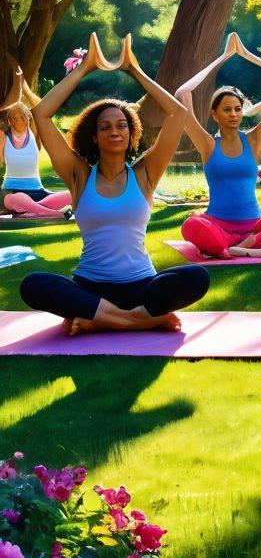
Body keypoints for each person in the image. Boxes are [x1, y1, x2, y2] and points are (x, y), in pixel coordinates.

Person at [19, 35, 210, 334]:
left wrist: (136, 71)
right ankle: (138, 320)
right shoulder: (79, 175)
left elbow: (179, 113)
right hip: (91, 288)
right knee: (33, 285)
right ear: (94, 136)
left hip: (141, 286)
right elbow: (41, 114)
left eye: (122, 125)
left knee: (197, 277)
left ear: (131, 131)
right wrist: (83, 69)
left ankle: (100, 321)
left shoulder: (145, 173)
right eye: (105, 127)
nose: (115, 131)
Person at [176, 34, 261, 258]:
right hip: (217, 223)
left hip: (254, 225)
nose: (234, 114)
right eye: (227, 109)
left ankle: (245, 244)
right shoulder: (207, 144)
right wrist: (223, 57)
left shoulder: (254, 140)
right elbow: (182, 93)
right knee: (190, 225)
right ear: (215, 115)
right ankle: (233, 246)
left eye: (237, 109)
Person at [1, 82, 72, 217]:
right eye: (14, 118)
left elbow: (40, 107)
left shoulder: (34, 132)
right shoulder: (4, 136)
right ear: (9, 121)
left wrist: (23, 84)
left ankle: (30, 211)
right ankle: (56, 214)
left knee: (72, 195)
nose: (19, 121)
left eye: (22, 117)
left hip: (38, 191)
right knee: (19, 199)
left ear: (28, 118)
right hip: (11, 192)